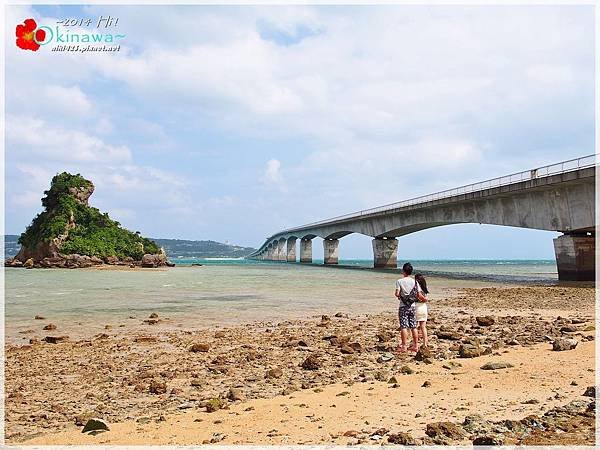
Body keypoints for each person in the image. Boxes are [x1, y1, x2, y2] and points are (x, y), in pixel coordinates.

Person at [394, 262, 427, 353]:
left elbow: (397, 293)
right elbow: (419, 295)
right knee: (413, 326)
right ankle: (415, 346)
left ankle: (404, 346)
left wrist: (400, 296)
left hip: (403, 306)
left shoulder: (399, 281)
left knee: (404, 326)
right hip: (412, 306)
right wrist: (425, 300)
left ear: (403, 271)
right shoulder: (415, 282)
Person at [414, 273, 429, 347]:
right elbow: (424, 299)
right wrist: (425, 299)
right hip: (424, 307)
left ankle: (415, 344)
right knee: (423, 327)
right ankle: (425, 343)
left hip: (416, 307)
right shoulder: (424, 288)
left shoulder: (416, 288)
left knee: (415, 327)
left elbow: (418, 296)